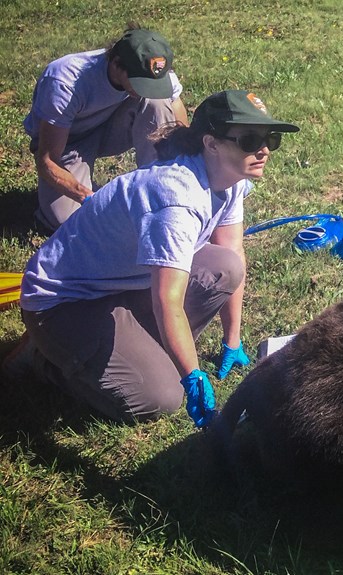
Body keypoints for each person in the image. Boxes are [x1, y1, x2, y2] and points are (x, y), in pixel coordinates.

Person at [4, 89, 299, 428]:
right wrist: (192, 374)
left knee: (224, 268)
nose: (262, 150)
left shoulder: (230, 178)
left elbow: (233, 254)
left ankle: (132, 351)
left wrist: (231, 341)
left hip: (121, 281)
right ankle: (46, 361)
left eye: (270, 139)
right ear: (211, 143)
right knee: (160, 397)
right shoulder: (178, 200)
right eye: (249, 139)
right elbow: (167, 300)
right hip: (64, 302)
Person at [23, 26, 190, 231]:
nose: (146, 88)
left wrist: (190, 165)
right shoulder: (65, 80)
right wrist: (87, 197)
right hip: (69, 142)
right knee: (68, 221)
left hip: (111, 126)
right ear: (116, 63)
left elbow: (180, 126)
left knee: (157, 101)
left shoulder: (153, 71)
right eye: (140, 83)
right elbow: (46, 160)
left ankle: (160, 188)